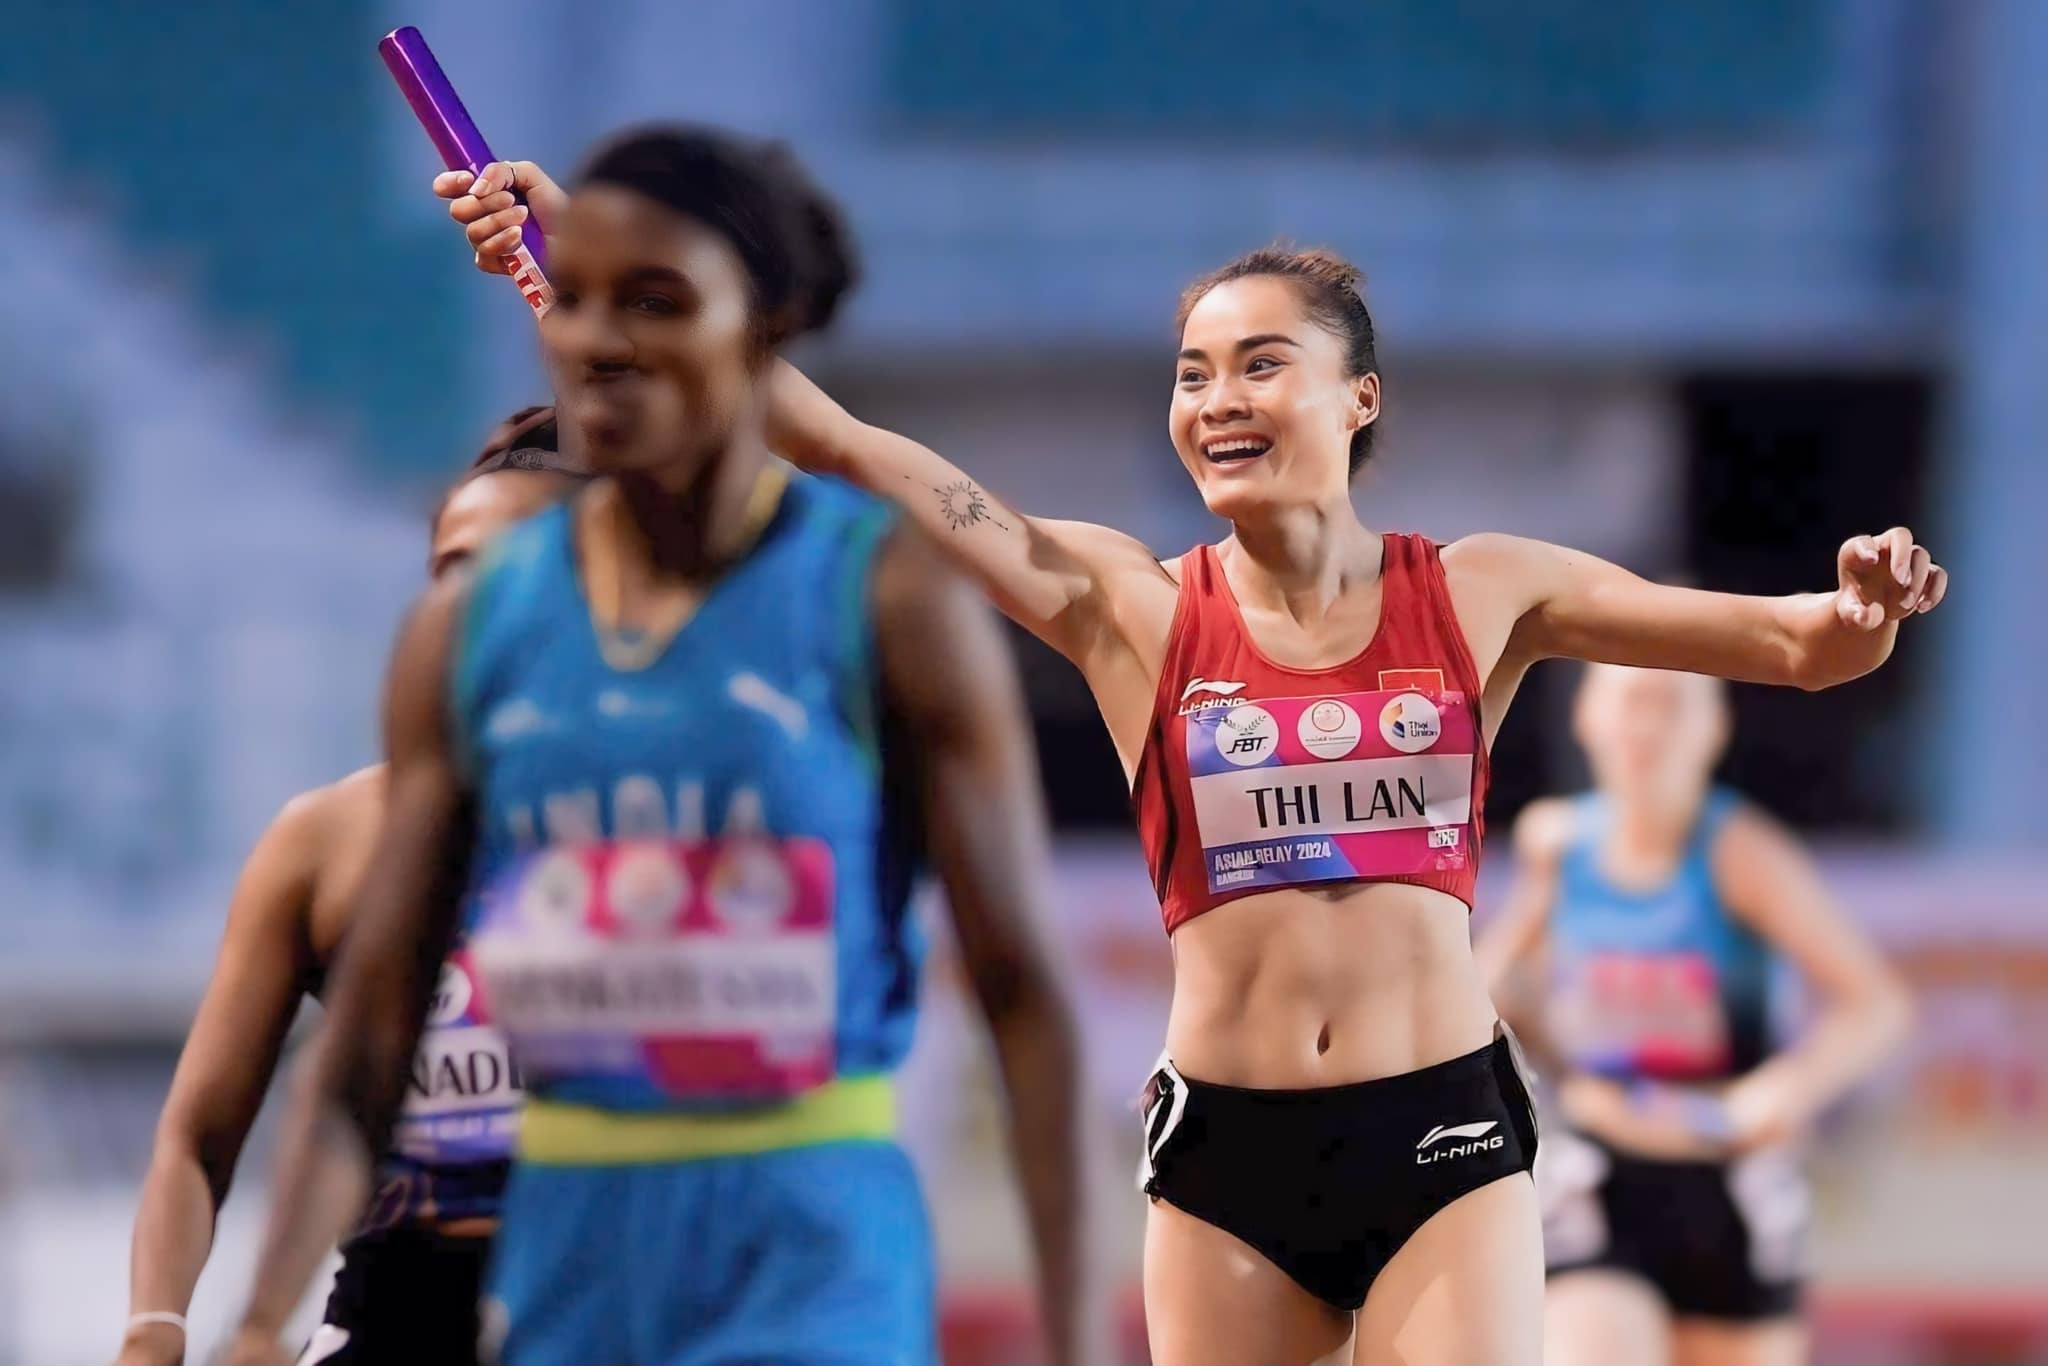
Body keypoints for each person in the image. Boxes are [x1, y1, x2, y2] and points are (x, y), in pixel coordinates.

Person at [452, 163, 1945, 1364]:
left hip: (1439, 1127)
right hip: (1228, 1156)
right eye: (1192, 372)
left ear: (1359, 398)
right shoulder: (1128, 605)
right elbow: (847, 447)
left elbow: (1796, 643)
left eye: (1260, 364)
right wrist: (609, 284)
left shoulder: (1482, 589)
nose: (1216, 398)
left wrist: (1863, 606)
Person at [221, 127, 1095, 1366]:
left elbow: (1023, 996)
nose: (596, 339)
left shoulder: (888, 599)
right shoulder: (469, 627)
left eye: (653, 300)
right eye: (573, 299)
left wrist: (1074, 1337)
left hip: (803, 1247)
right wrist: (261, 1318)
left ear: (764, 323)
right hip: (568, 1258)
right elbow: (371, 1027)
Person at [114, 412, 583, 1366]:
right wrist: (154, 1336)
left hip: (610, 1306)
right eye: (448, 570)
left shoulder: (676, 821)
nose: (467, 601)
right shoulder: (325, 841)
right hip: (395, 1314)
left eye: (508, 568)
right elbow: (197, 1139)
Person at [1474, 664, 1913, 1366]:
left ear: (1714, 727)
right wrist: (1543, 1055)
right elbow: (1488, 992)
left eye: (1672, 706)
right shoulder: (1554, 842)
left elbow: (1877, 1004)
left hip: (1728, 1185)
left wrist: (1779, 1095)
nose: (1646, 728)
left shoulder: (1743, 853)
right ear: (1587, 716)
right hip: (1597, 1178)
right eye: (1630, 702)